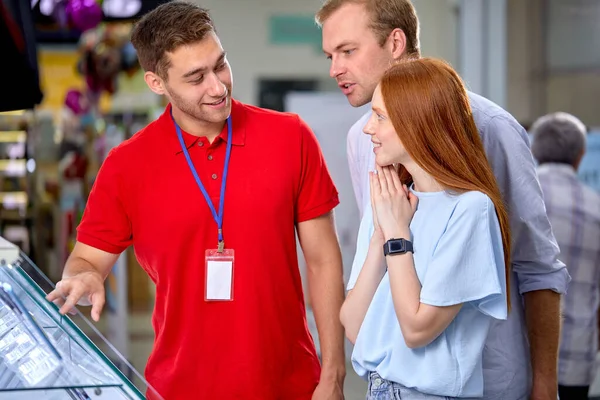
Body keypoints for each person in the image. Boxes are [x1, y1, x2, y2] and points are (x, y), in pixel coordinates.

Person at [46, 2, 346, 399]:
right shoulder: (126, 165)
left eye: (220, 64)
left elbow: (324, 260)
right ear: (157, 83)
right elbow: (87, 258)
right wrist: (83, 274)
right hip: (178, 389)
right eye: (196, 77)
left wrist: (333, 376)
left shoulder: (290, 138)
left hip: (289, 387)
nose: (218, 86)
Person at [315, 1, 571, 399]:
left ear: (395, 42)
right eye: (330, 56)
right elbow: (372, 291)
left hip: (485, 380)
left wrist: (545, 387)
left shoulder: (492, 130)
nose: (334, 69)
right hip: (386, 378)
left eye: (347, 51)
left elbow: (538, 268)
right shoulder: (362, 142)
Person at [341, 58, 511, 399]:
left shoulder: (470, 209)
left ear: (417, 122)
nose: (367, 128)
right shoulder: (392, 205)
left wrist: (398, 237)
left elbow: (417, 329)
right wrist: (382, 235)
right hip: (378, 389)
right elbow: (355, 326)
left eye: (380, 116)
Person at [531, 112, 600, 400]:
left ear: (533, 149)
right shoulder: (596, 208)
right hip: (576, 358)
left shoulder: (517, 197)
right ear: (581, 156)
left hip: (523, 353)